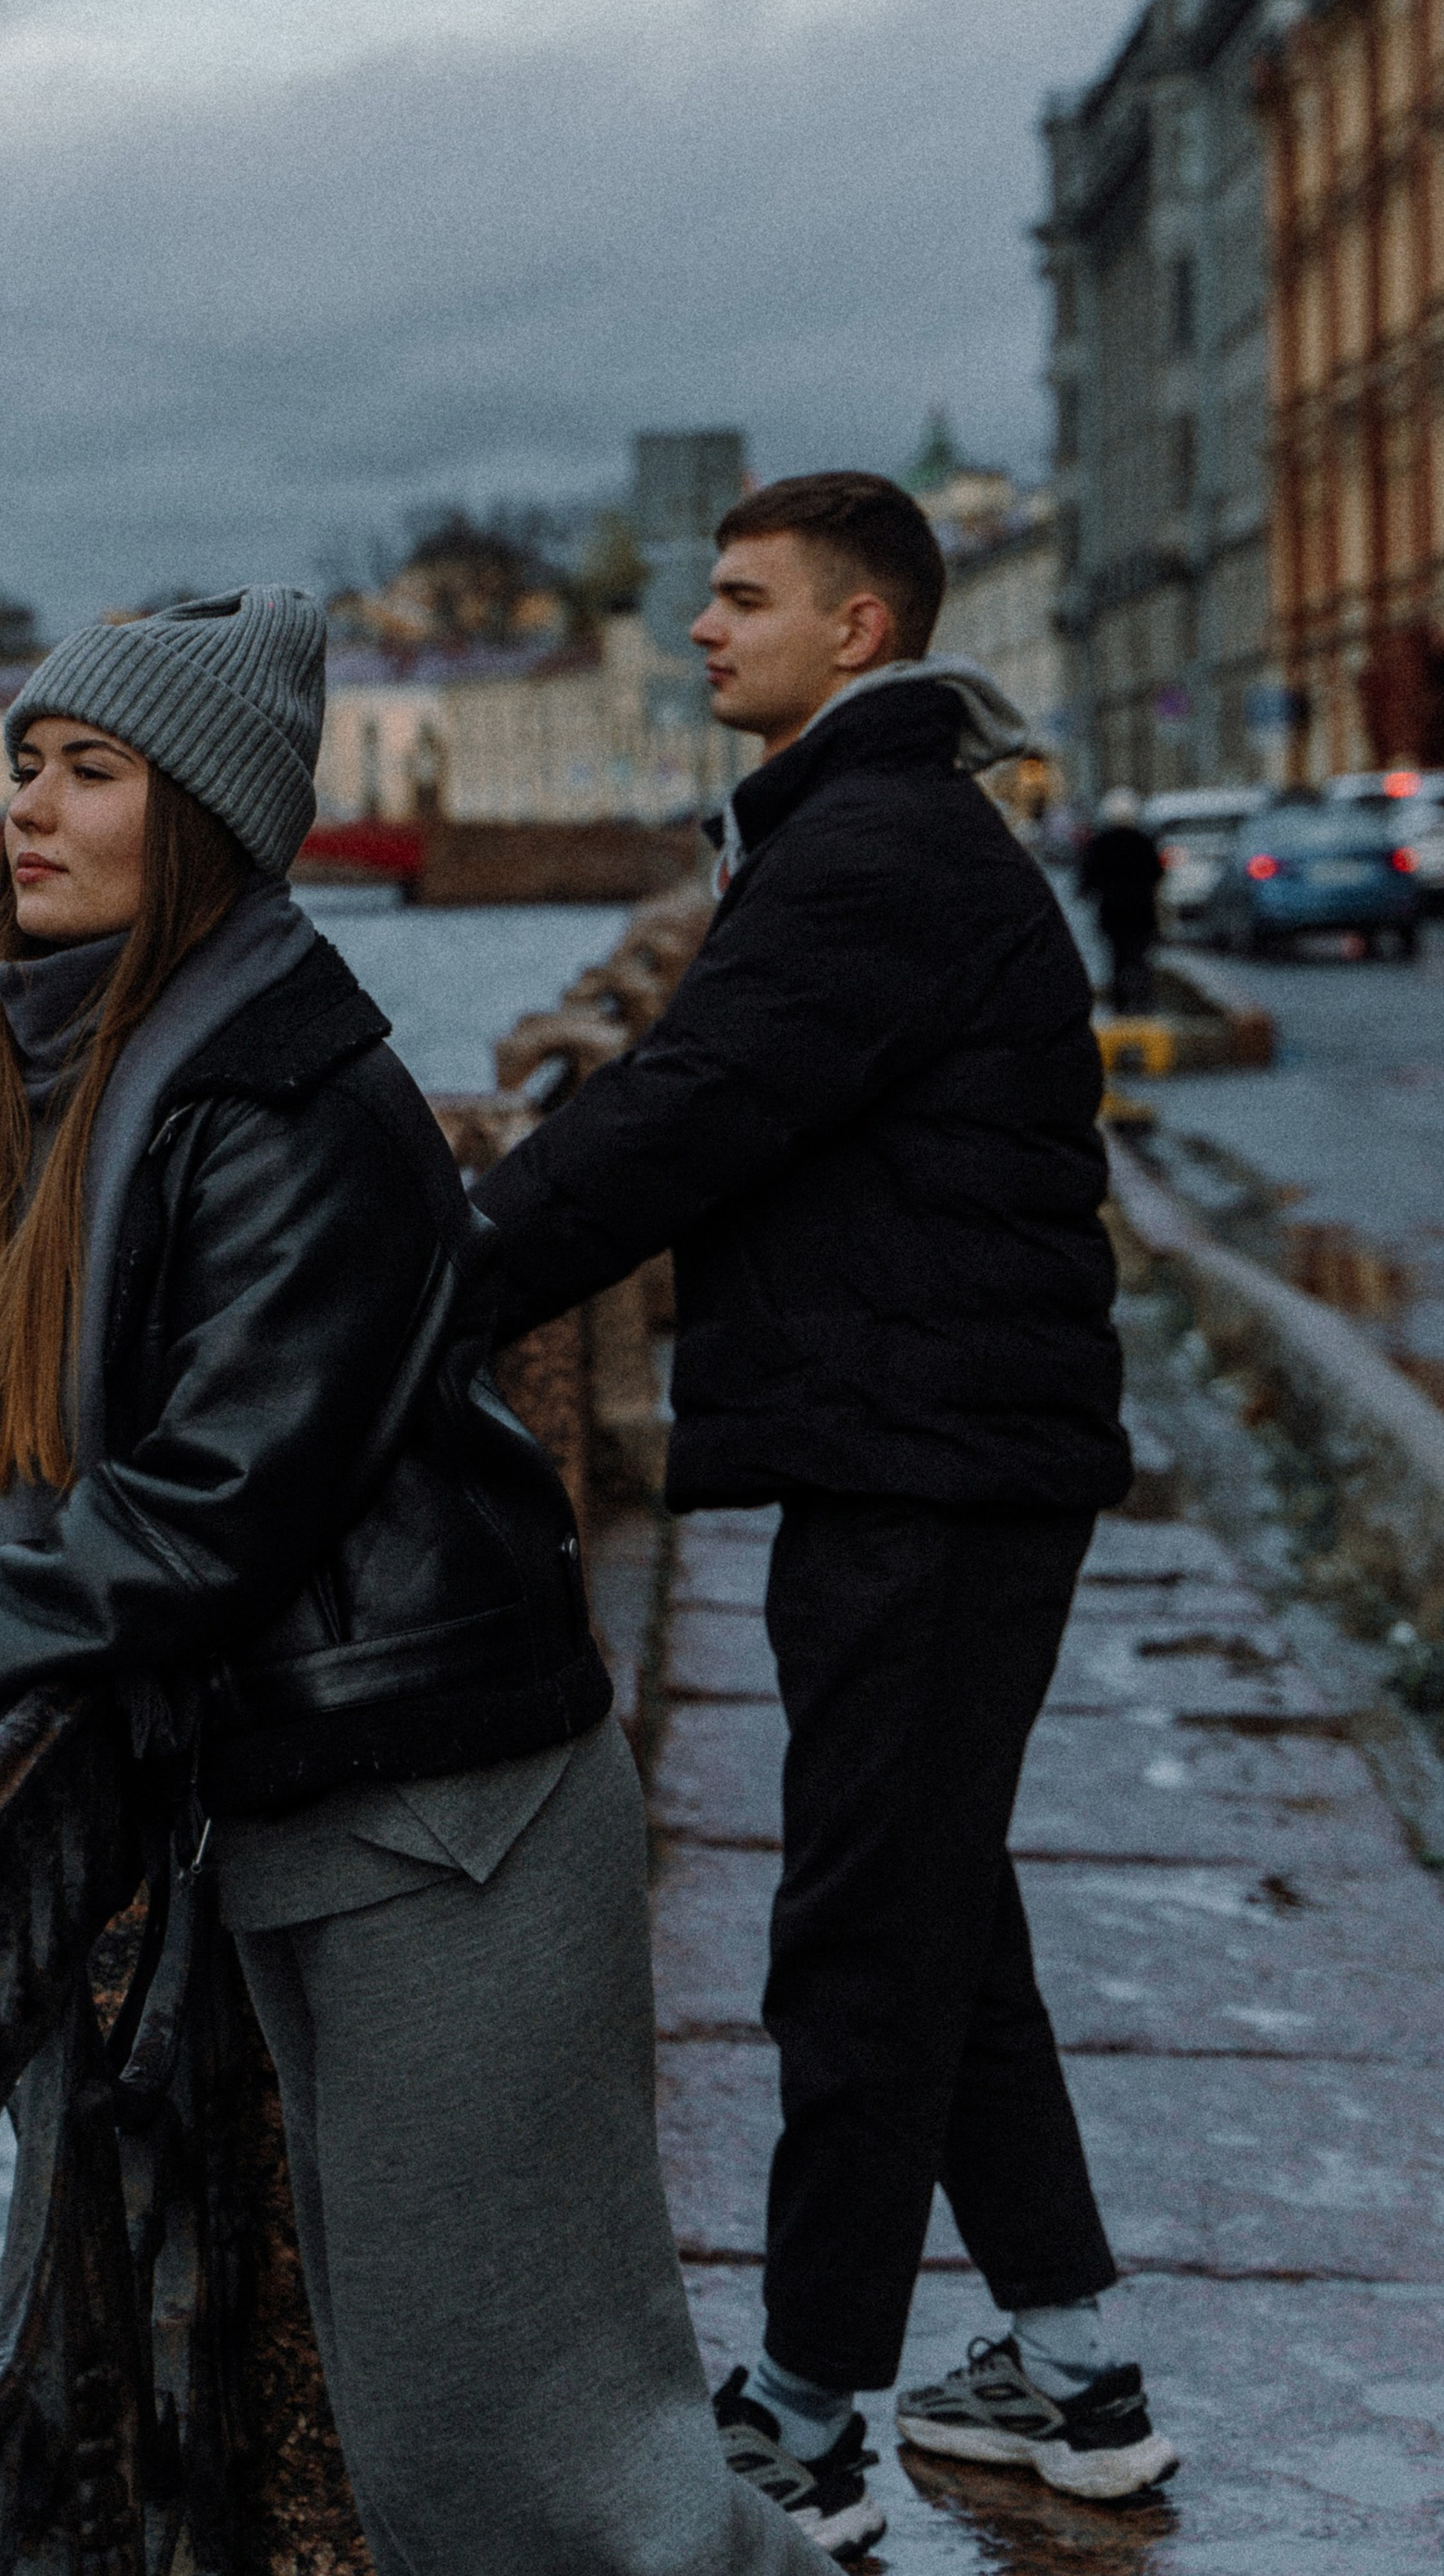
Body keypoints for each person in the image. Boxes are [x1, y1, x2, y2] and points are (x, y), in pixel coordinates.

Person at [0, 588, 816, 2576]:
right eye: (23, 765)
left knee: (555, 2483)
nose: (27, 811)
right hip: (351, 1813)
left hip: (445, 1825)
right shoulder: (145, 1051)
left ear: (202, 822)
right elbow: (128, 1445)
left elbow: (208, 1502)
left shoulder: (271, 1089)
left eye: (89, 774)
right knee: (471, 2468)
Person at [470, 477, 1179, 2555]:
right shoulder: (872, 836)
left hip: (929, 1464)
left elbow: (679, 1117)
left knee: (862, 1934)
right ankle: (1073, 2374)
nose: (698, 629)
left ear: (855, 631)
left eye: (737, 599)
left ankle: (796, 2428)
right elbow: (698, 1104)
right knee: (936, 1911)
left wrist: (425, 1273)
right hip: (930, 1447)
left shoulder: (864, 851)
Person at [1078, 791, 1165, 1013]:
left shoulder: (1101, 843)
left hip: (1113, 912)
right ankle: (1143, 999)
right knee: (1140, 956)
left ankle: (1121, 1002)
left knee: (1117, 958)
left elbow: (1088, 878)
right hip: (1140, 912)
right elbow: (1156, 872)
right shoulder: (1143, 841)